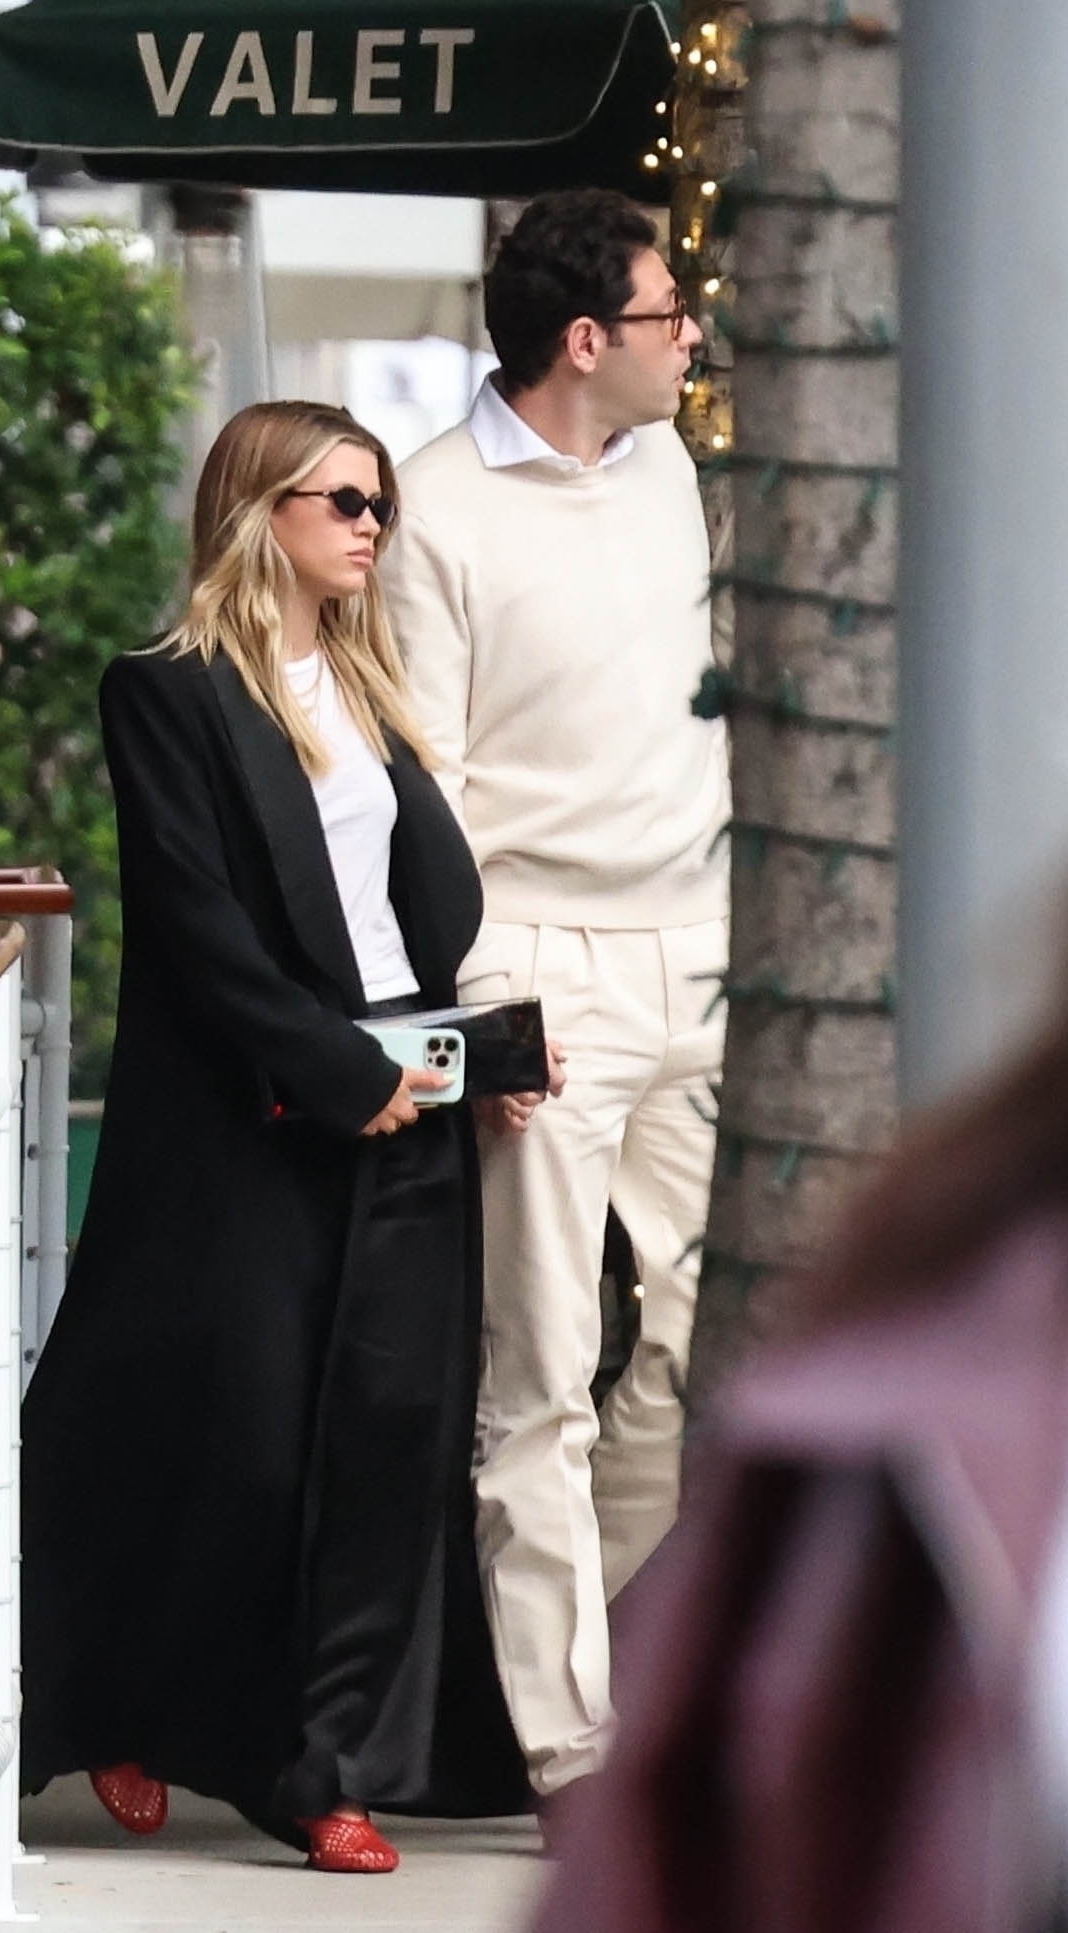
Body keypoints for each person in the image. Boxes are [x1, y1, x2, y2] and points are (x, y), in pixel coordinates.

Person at [18, 400, 528, 1875]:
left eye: (378, 502)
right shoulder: (165, 689)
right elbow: (195, 922)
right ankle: (119, 1696)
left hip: (396, 1097)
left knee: (380, 1441)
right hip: (245, 1110)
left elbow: (407, 926)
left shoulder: (369, 686)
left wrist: (462, 1059)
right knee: (229, 1431)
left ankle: (323, 1766)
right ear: (261, 509)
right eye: (342, 500)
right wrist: (323, 1064)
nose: (372, 523)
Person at [521, 894, 1068, 1933]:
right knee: (543, 1386)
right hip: (557, 976)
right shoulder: (885, 1426)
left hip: (674, 953)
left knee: (649, 1373)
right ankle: (558, 1734)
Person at [381, 187, 732, 1812]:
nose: (692, 341)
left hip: (715, 964)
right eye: (669, 317)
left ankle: (653, 1711)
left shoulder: (671, 468)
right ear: (584, 340)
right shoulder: (437, 512)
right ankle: (571, 1756)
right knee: (539, 1382)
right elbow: (426, 791)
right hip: (549, 980)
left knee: (680, 1357)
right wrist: (491, 1014)